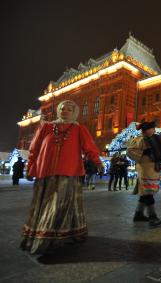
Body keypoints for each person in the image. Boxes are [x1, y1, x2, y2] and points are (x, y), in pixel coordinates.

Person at [20, 100, 101, 254]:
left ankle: (50, 237)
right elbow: (34, 148)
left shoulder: (79, 129)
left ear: (74, 112)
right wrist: (30, 167)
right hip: (45, 174)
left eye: (69, 109)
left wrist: (97, 161)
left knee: (59, 204)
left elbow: (89, 147)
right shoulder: (46, 127)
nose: (65, 111)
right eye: (62, 108)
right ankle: (42, 234)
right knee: (45, 204)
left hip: (68, 174)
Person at [127, 121, 161, 227]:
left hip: (152, 170)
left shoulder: (153, 139)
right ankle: (153, 217)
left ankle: (138, 214)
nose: (154, 131)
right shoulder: (139, 139)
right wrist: (143, 153)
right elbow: (129, 151)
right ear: (147, 130)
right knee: (148, 192)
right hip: (145, 169)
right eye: (153, 128)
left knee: (145, 193)